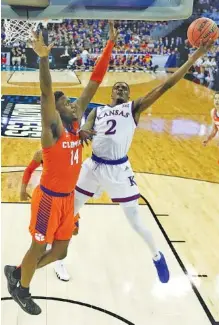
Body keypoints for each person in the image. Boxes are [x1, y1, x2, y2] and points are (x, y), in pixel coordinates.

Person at [76, 39, 214, 284]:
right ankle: (59, 259)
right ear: (110, 92)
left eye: (123, 88)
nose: (119, 89)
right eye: (116, 87)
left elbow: (167, 85)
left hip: (119, 170)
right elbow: (86, 126)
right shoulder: (98, 111)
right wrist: (84, 131)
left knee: (135, 221)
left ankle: (157, 255)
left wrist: (193, 58)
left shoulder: (134, 108)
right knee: (68, 211)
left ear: (128, 95)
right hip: (93, 166)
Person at [4, 21, 118, 315]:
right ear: (56, 111)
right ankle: (23, 289)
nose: (74, 106)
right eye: (68, 103)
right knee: (38, 248)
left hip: (67, 200)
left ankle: (17, 272)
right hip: (48, 200)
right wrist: (43, 57)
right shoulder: (52, 130)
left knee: (61, 250)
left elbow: (94, 80)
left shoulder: (75, 122)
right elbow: (45, 93)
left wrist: (109, 46)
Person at [20, 149, 79, 281]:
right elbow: (29, 169)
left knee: (73, 231)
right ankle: (54, 264)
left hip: (67, 198)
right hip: (48, 198)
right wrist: (23, 189)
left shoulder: (72, 149)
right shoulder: (42, 153)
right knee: (41, 243)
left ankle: (24, 270)